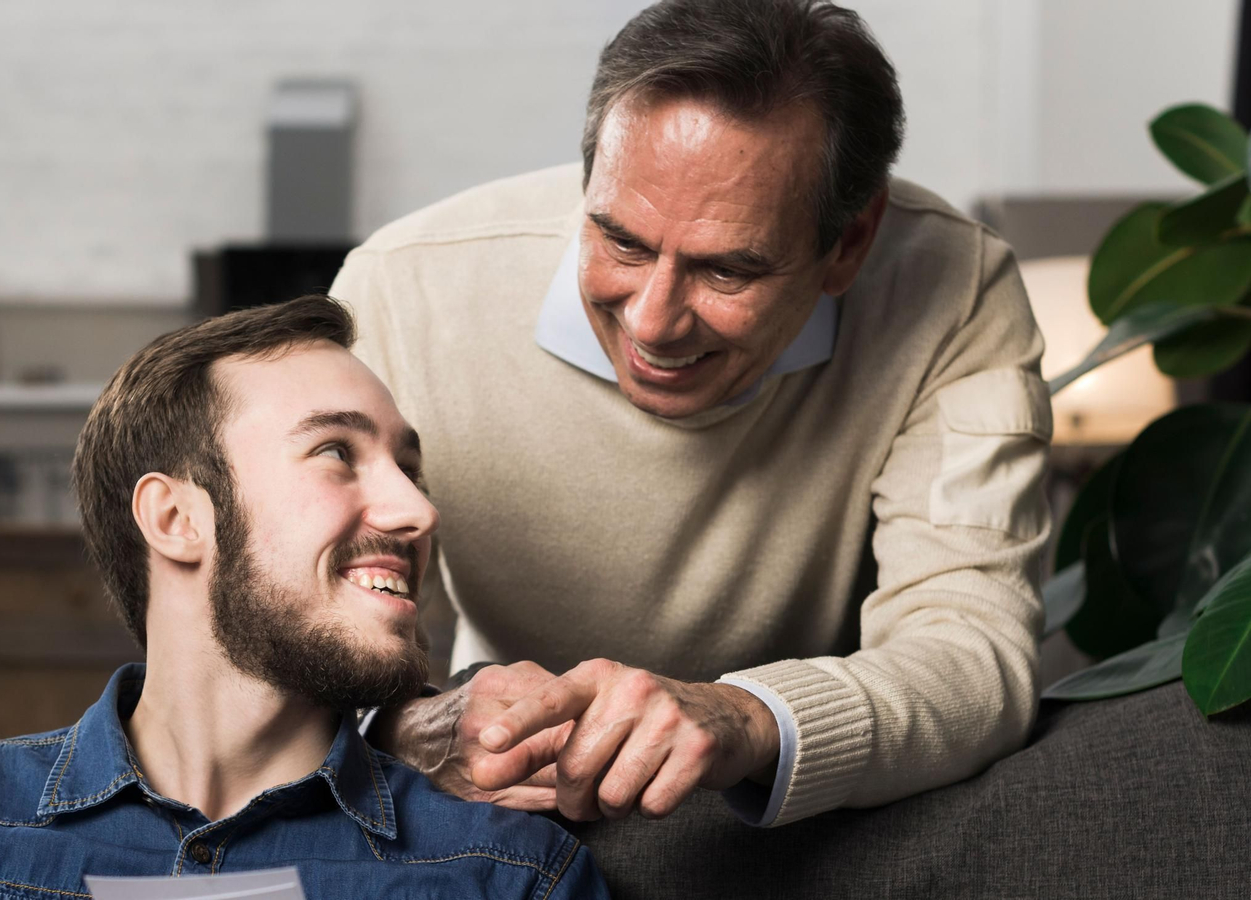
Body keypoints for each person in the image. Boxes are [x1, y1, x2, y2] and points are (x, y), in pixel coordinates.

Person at [332, 0, 1051, 842]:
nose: (653, 322)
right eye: (621, 242)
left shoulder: (957, 290)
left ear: (849, 243)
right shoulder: (401, 288)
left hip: (804, 807)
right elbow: (301, 617)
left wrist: (747, 718)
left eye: (728, 270)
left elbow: (972, 654)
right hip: (504, 802)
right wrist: (401, 727)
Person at [0, 296, 608, 899]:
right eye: (336, 452)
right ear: (175, 518)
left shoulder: (510, 876)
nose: (416, 510)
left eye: (409, 468)